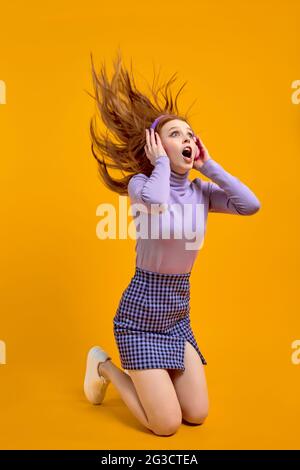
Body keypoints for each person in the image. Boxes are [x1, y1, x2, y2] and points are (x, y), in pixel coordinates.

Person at [83, 50, 261, 437]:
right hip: (140, 316)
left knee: (196, 414)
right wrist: (161, 163)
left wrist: (208, 164)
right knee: (165, 426)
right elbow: (159, 205)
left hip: (177, 314)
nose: (187, 139)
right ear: (156, 145)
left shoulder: (201, 191)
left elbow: (251, 205)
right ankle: (104, 366)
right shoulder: (141, 186)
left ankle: (154, 379)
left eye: (189, 133)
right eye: (175, 134)